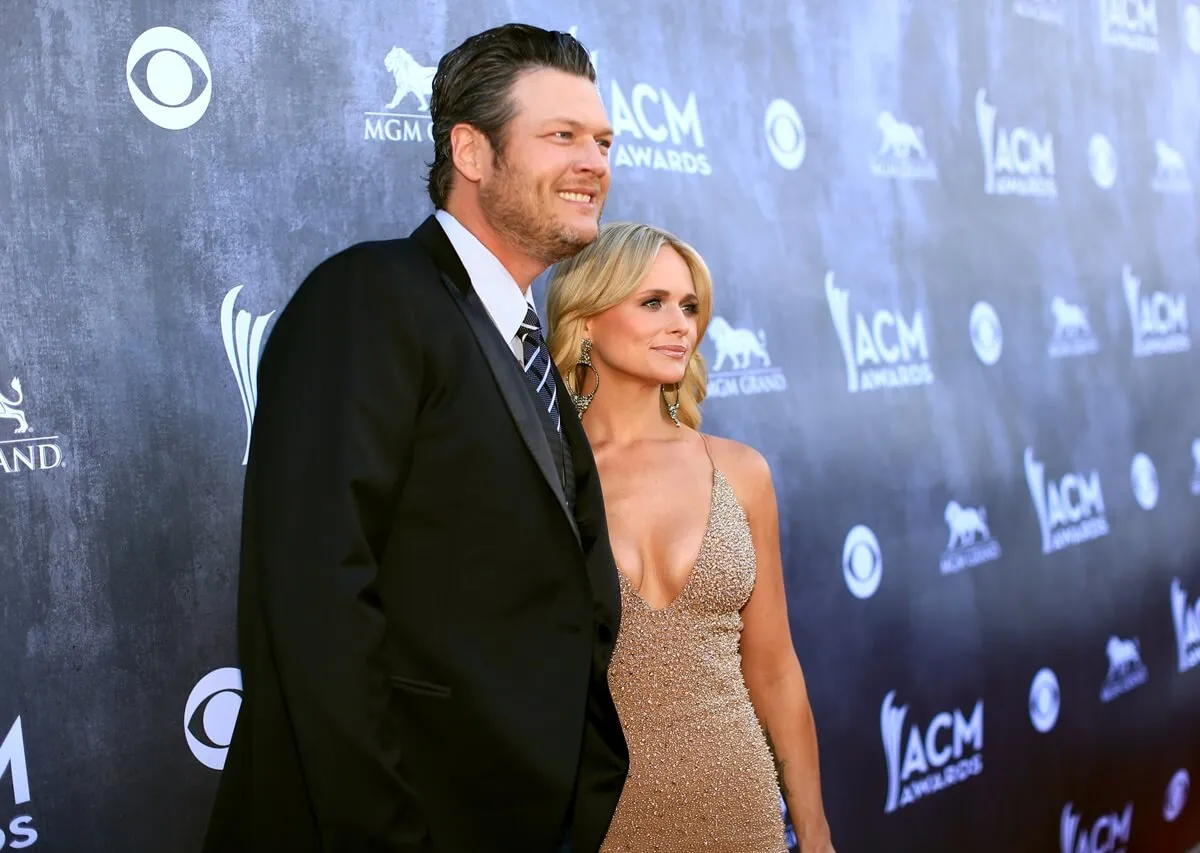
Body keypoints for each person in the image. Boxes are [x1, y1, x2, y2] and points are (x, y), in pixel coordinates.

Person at [202, 24, 627, 853]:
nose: (595, 163)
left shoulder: (525, 340)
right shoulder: (369, 298)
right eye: (562, 136)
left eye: (603, 141)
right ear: (472, 152)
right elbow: (315, 598)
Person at [545, 222, 836, 853]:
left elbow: (775, 668)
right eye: (652, 303)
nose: (681, 324)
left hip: (741, 809)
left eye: (690, 306)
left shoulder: (739, 470)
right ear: (586, 320)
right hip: (593, 822)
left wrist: (812, 829)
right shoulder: (544, 476)